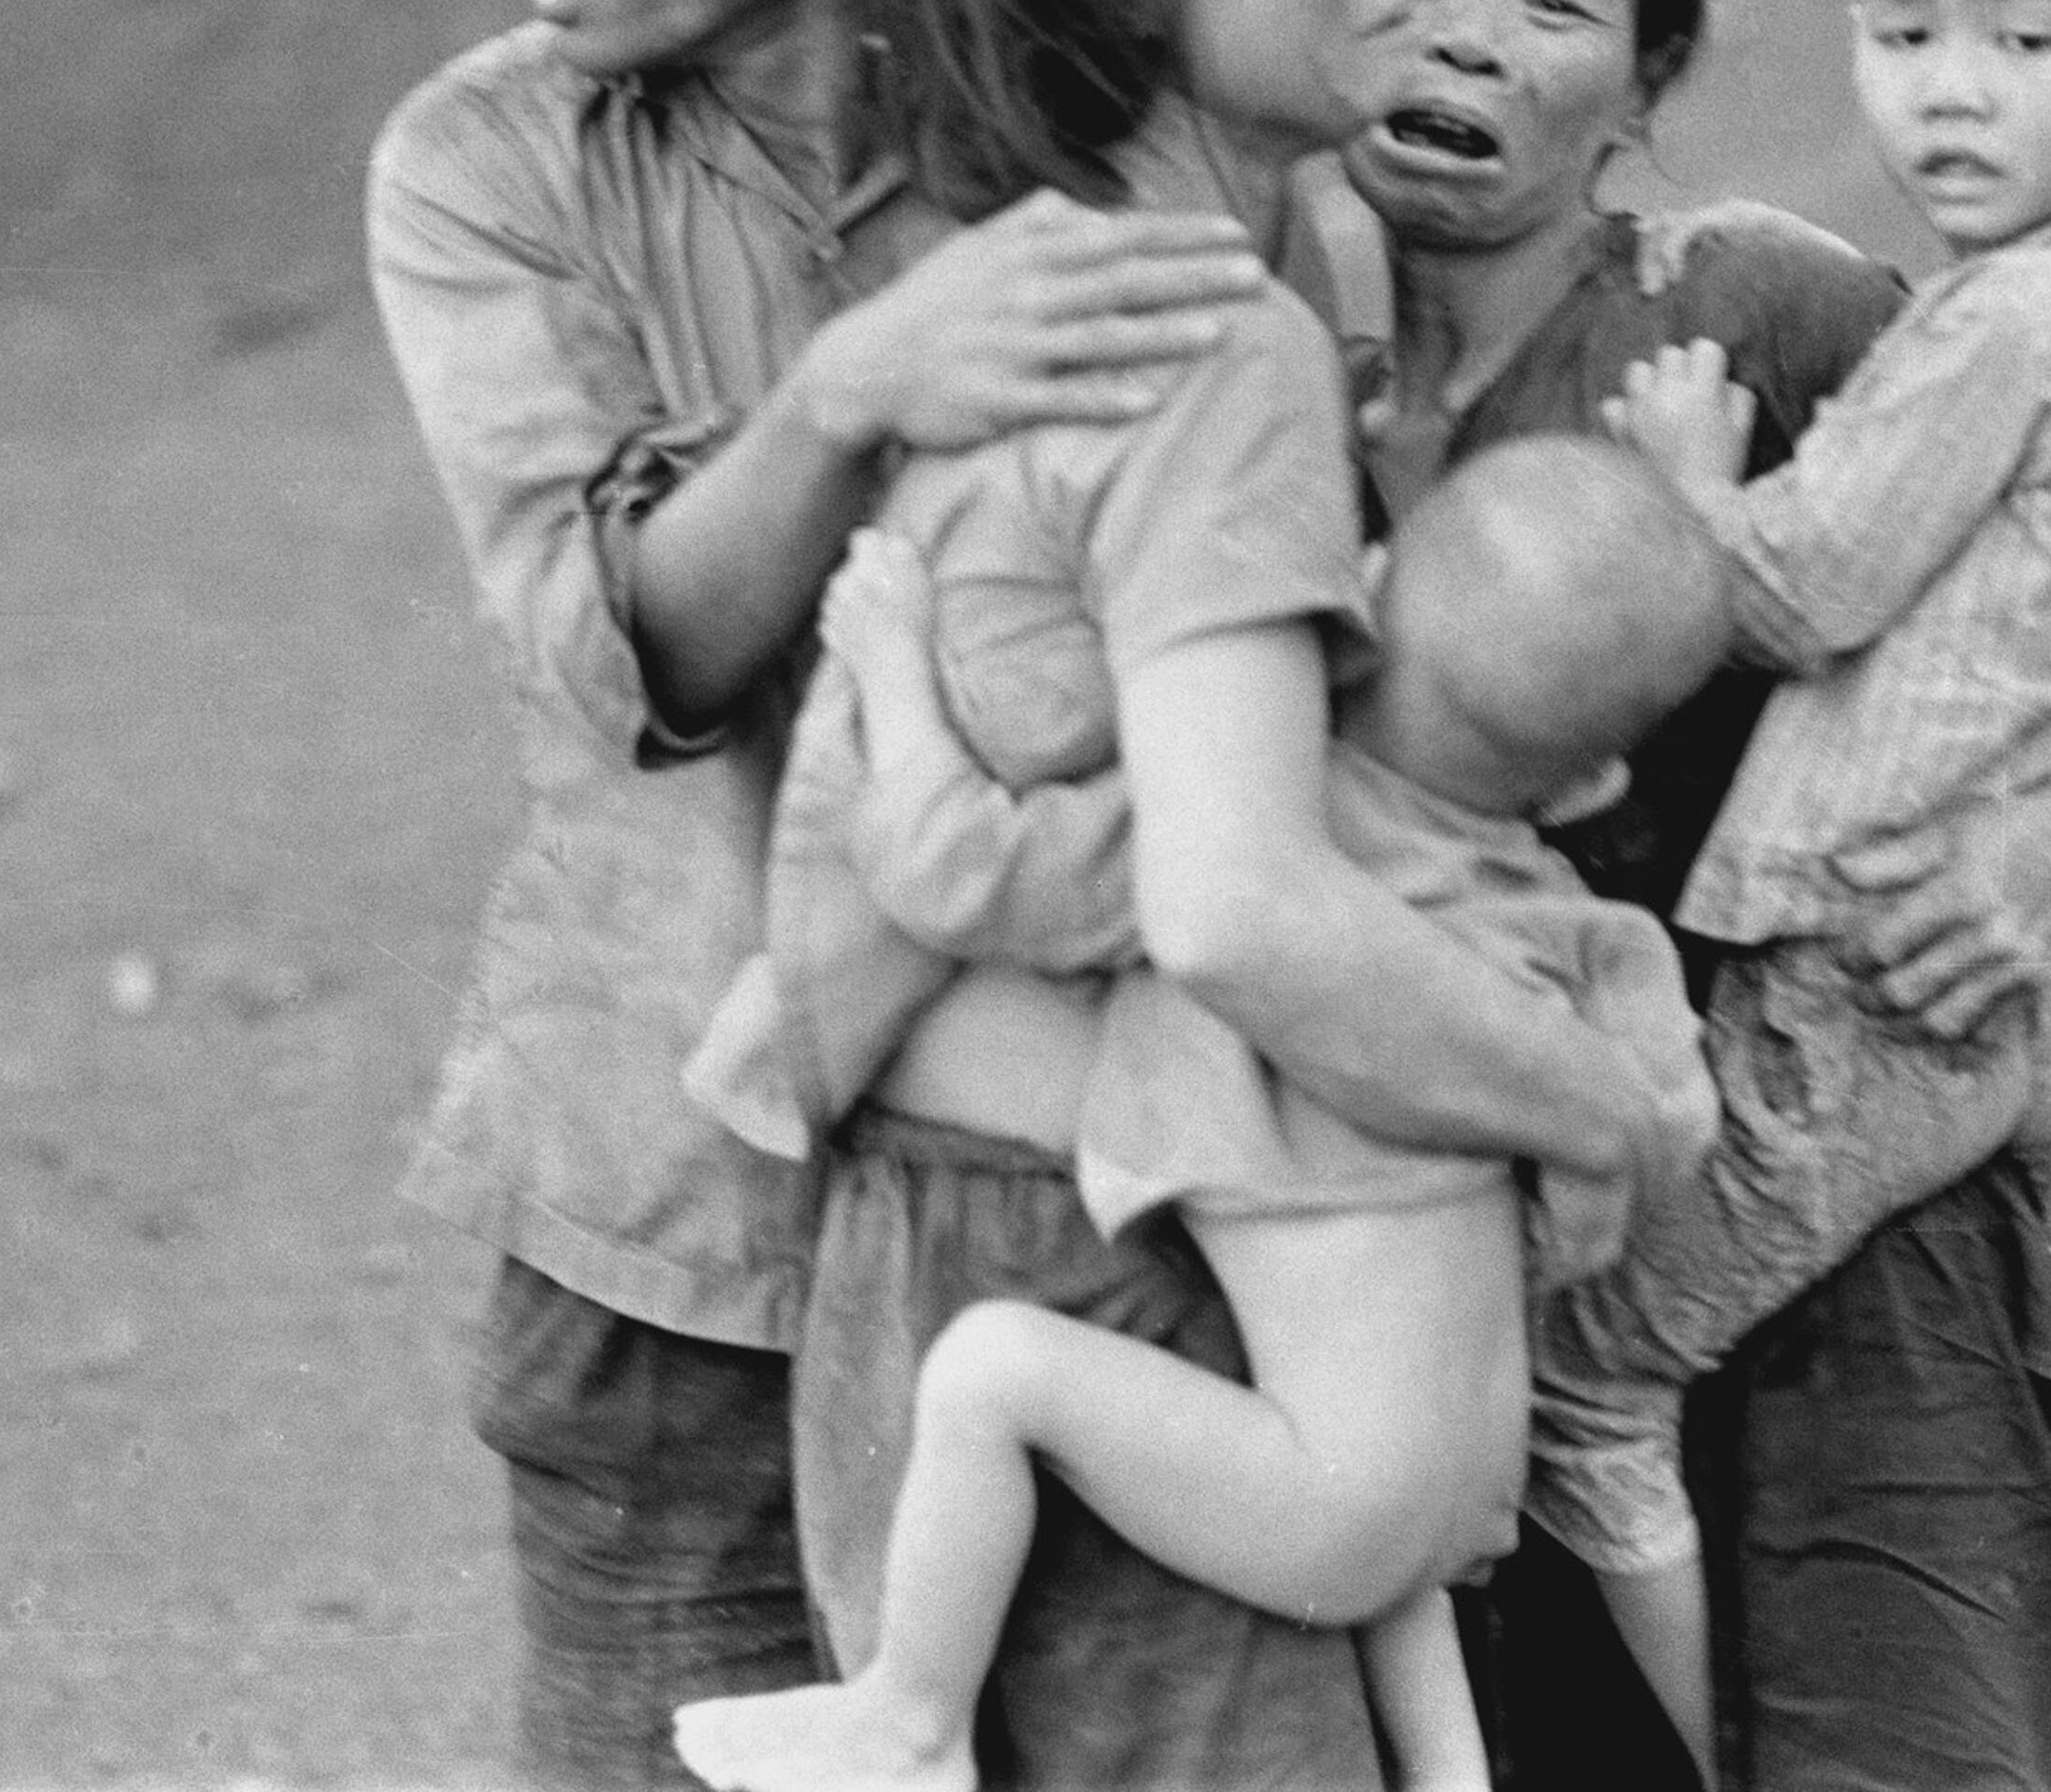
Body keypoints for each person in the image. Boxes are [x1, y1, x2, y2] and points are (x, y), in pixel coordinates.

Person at [364, 0, 1630, 1789]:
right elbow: (602, 645)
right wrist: (851, 394)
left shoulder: (1172, 167)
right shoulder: (485, 163)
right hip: (677, 1244)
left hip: (1105, 1213)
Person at [722, 0, 1698, 1791]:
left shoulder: (1003, 275)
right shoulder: (1222, 347)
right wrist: (1597, 1107)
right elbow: (1241, 908)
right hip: (1118, 1253)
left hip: (938, 1232)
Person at [1339, 0, 2051, 1792]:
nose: (1474, 34)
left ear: (1649, 74)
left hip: (1850, 1213)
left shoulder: (1754, 313)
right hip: (1444, 1257)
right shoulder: (1258, 377)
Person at [675, 428, 1730, 1792]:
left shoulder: (1244, 846)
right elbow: (1660, 1123)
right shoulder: (1571, 928)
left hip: (1333, 1500)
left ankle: (908, 1720)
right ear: (1589, 784)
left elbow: (954, 870)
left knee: (996, 1369)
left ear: (1351, 596)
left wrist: (894, 669)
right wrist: (1567, 1214)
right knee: (1367, 1493)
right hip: (1477, 1468)